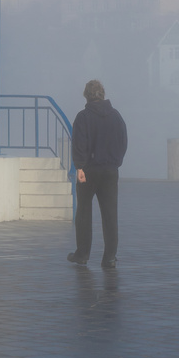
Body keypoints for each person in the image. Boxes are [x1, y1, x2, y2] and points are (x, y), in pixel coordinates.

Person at [67, 79, 127, 269]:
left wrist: (79, 167)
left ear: (86, 95)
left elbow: (79, 144)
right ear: (103, 94)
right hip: (110, 170)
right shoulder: (116, 116)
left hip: (88, 170)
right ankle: (109, 257)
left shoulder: (83, 117)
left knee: (84, 212)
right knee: (110, 214)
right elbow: (123, 141)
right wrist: (116, 162)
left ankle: (82, 254)